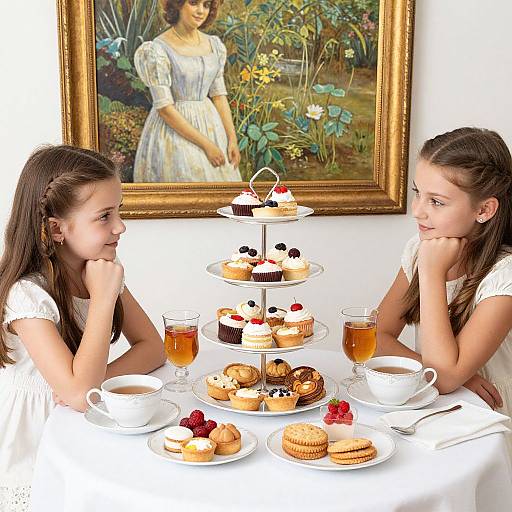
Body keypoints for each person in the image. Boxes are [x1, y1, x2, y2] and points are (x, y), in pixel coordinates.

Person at [0, 145, 166, 511]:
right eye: (104, 216)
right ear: (57, 228)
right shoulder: (27, 295)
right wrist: (103, 300)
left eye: (118, 211)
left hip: (82, 422)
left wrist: (92, 382)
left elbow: (153, 347)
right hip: (37, 444)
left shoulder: (100, 269)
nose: (120, 226)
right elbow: (79, 395)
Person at [376, 127, 512, 454]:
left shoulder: (504, 275)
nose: (418, 210)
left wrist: (433, 274)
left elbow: (445, 376)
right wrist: (456, 376)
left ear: (484, 210)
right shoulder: (419, 249)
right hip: (437, 412)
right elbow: (374, 337)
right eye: (417, 192)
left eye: (436, 201)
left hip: (490, 419)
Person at [132, 0, 242, 182]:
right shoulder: (157, 49)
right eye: (193, 3)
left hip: (211, 125)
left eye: (206, 5)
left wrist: (231, 139)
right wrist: (207, 145)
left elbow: (219, 96)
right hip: (174, 129)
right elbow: (165, 108)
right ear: (177, 5)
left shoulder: (214, 45)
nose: (201, 11)